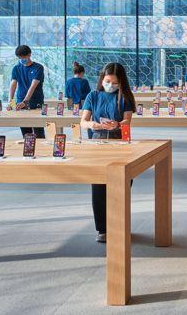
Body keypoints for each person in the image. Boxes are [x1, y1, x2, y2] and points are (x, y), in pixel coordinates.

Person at [80, 63, 135, 242]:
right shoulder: (93, 95)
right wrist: (92, 124)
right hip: (98, 141)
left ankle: (119, 224)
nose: (110, 85)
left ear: (121, 82)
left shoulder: (124, 96)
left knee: (122, 183)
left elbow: (127, 121)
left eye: (114, 82)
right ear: (102, 79)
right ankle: (102, 229)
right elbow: (83, 121)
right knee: (98, 185)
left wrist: (117, 124)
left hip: (120, 141)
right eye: (107, 81)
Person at [8, 45, 45, 139]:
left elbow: (33, 86)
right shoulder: (16, 68)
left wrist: (25, 101)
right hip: (20, 103)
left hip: (35, 102)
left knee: (39, 133)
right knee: (26, 134)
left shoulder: (38, 68)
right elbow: (13, 85)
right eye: (19, 57)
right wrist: (11, 102)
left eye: (23, 57)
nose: (22, 59)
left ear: (29, 55)